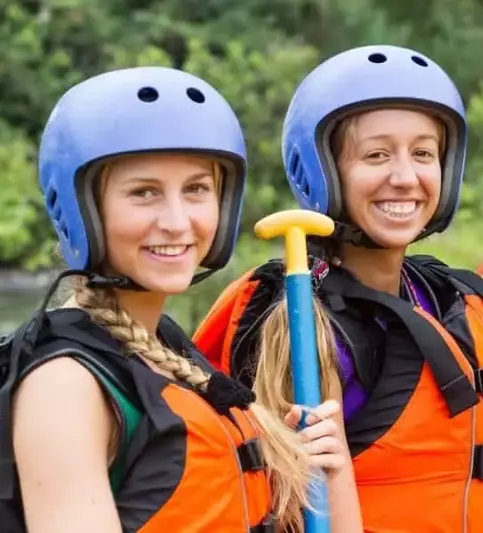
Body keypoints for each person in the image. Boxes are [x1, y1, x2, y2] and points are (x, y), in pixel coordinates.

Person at [0, 66, 359, 532]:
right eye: (144, 192)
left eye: (195, 190)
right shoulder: (65, 385)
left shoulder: (168, 351)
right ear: (80, 209)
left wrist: (333, 470)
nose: (176, 221)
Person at [194, 45, 483, 532]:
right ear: (321, 169)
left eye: (424, 153)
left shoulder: (447, 297)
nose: (405, 177)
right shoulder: (300, 323)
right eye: (376, 155)